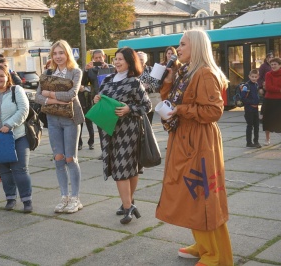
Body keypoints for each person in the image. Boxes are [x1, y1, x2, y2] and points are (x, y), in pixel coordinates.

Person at [156, 29, 233, 266]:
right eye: (179, 45)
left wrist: (180, 110)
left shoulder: (205, 73)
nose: (178, 50)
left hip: (199, 141)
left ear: (197, 47)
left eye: (182, 45)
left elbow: (213, 111)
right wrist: (167, 85)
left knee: (201, 196)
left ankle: (214, 255)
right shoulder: (185, 71)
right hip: (185, 137)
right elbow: (176, 101)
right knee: (191, 197)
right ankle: (203, 245)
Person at [93, 47, 151, 224]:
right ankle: (129, 202)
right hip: (109, 130)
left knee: (122, 169)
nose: (117, 62)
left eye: (121, 59)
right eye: (116, 59)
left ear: (129, 62)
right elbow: (101, 97)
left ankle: (127, 208)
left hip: (128, 131)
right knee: (128, 169)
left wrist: (129, 109)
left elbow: (147, 106)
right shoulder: (108, 79)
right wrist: (96, 99)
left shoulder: (134, 82)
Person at [35, 40, 84, 213]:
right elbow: (38, 97)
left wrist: (50, 94)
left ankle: (75, 198)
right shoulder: (47, 73)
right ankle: (64, 196)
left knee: (70, 158)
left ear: (67, 54)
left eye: (61, 53)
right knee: (58, 158)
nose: (58, 56)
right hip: (52, 119)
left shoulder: (75, 72)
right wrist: (55, 99)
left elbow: (72, 94)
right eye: (55, 53)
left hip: (70, 119)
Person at [0, 66, 33, 212]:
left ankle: (27, 201)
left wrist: (9, 125)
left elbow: (24, 110)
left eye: (1, 76)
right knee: (4, 171)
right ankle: (10, 198)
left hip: (18, 136)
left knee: (20, 169)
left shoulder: (17, 91)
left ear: (7, 76)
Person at [84, 49, 115, 159]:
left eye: (100, 58)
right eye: (96, 58)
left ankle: (113, 150)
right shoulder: (91, 70)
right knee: (101, 128)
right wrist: (86, 70)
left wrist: (109, 69)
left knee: (112, 127)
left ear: (104, 57)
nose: (98, 60)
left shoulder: (111, 68)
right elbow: (83, 83)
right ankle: (104, 152)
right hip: (97, 101)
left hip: (111, 101)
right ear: (93, 59)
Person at [137, 51, 160, 124]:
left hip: (148, 100)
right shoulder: (132, 70)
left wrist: (148, 86)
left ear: (145, 60)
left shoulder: (151, 69)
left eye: (141, 59)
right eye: (138, 59)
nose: (140, 61)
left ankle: (147, 135)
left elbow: (157, 83)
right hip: (136, 100)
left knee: (148, 123)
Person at [262, 57, 281, 145]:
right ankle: (267, 139)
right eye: (272, 64)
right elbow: (268, 87)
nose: (273, 66)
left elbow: (271, 87)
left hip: (279, 100)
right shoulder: (268, 74)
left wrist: (276, 89)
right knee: (267, 120)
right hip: (269, 100)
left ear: (279, 65)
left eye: (275, 64)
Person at [241, 69, 261, 148]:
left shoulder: (256, 85)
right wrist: (251, 102)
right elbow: (243, 97)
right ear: (249, 76)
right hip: (249, 109)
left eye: (255, 77)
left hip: (255, 108)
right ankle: (249, 142)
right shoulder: (246, 86)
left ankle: (256, 141)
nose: (254, 78)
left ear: (258, 77)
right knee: (250, 125)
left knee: (257, 125)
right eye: (252, 77)